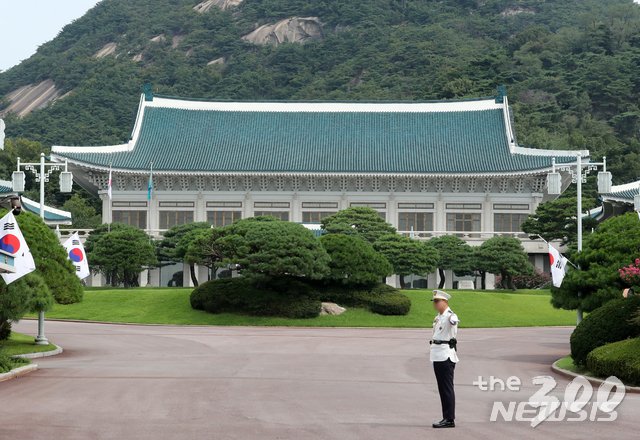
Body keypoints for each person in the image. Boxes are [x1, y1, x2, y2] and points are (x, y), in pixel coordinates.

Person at [429, 289, 459, 428]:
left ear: (445, 302)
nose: (435, 304)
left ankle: (449, 419)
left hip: (445, 355)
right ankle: (446, 417)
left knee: (446, 388)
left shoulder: (450, 316)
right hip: (437, 355)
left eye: (437, 301)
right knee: (442, 388)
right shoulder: (438, 317)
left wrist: (452, 319)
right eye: (434, 301)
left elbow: (453, 322)